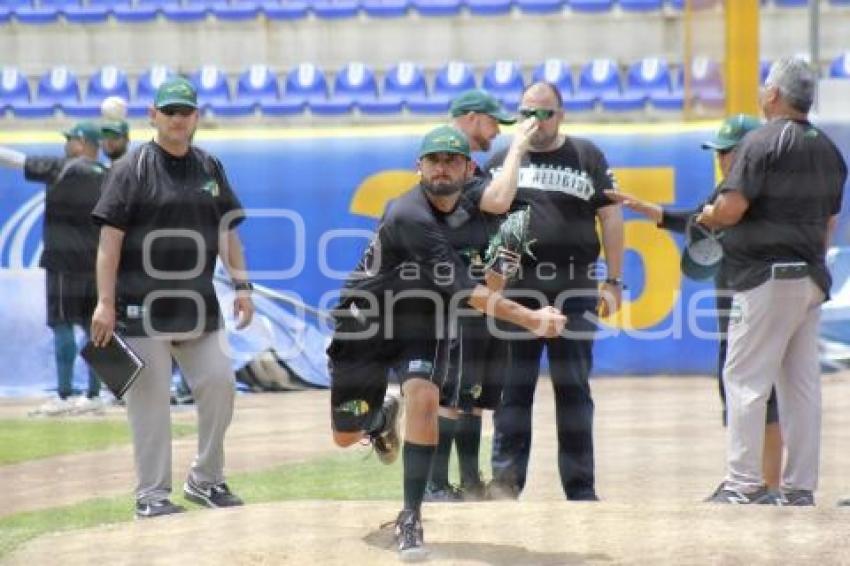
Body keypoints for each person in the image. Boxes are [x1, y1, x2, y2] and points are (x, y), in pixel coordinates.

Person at [328, 125, 566, 560]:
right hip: (364, 322)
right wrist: (532, 318)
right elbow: (468, 293)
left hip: (422, 321)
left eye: (451, 159)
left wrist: (504, 263)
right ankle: (379, 419)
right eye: (433, 159)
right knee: (346, 435)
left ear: (468, 168)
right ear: (419, 167)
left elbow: (498, 223)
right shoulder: (408, 214)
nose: (441, 167)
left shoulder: (473, 206)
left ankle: (410, 517)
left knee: (424, 396)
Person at [89, 77, 255, 519]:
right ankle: (152, 495)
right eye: (170, 111)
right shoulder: (132, 168)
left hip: (198, 304)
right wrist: (104, 303)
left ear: (196, 117)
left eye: (186, 111)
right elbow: (109, 243)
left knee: (220, 384)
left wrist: (242, 286)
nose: (178, 119)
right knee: (150, 403)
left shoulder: (209, 167)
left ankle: (205, 481)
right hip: (141, 307)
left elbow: (227, 232)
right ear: (153, 116)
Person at [605, 115, 785, 494]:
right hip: (734, 303)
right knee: (744, 392)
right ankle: (760, 482)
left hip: (753, 301)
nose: (720, 158)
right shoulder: (729, 189)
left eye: (727, 151)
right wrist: (650, 210)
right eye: (718, 152)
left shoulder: (756, 193)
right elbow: (697, 222)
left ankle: (761, 483)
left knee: (755, 393)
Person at [697, 58, 846, 506]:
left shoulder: (762, 142)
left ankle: (742, 483)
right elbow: (829, 223)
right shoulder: (830, 150)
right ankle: (800, 487)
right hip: (811, 278)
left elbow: (731, 207)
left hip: (766, 276)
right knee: (801, 385)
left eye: (766, 86)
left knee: (743, 377)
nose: (763, 92)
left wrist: (709, 215)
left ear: (775, 95)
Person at [485, 81, 624, 502]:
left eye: (544, 113)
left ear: (560, 114)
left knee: (574, 388)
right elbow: (489, 212)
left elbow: (612, 219)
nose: (536, 121)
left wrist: (614, 280)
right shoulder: (502, 159)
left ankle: (581, 489)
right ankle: (505, 485)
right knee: (512, 388)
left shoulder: (586, 155)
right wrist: (515, 151)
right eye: (528, 112)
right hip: (517, 286)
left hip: (575, 282)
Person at [424, 89, 521, 502]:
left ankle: (468, 479)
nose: (497, 131)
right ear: (472, 118)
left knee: (474, 395)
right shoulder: (447, 165)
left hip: (480, 294)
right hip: (453, 297)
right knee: (449, 392)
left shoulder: (470, 168)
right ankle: (435, 483)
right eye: (493, 122)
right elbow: (499, 200)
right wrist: (520, 148)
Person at [0, 122, 107, 416]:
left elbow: (13, 159)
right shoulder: (109, 176)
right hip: (96, 265)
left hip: (62, 262)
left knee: (62, 326)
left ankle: (64, 396)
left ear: (83, 143)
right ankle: (94, 395)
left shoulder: (60, 167)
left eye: (71, 139)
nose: (67, 144)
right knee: (93, 328)